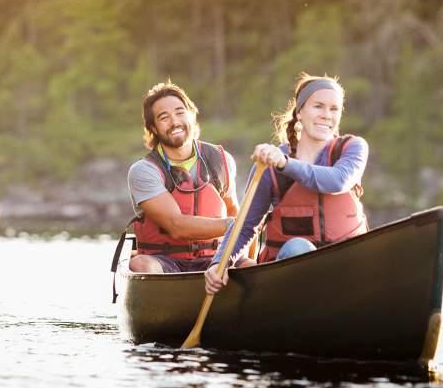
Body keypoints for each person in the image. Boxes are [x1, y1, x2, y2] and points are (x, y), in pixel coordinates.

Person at [205, 72, 369, 295]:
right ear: (300, 112)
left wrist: (285, 164)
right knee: (298, 247)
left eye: (334, 109)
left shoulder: (353, 148)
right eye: (318, 106)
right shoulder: (269, 164)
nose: (326, 115)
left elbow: (338, 180)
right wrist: (219, 264)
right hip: (289, 279)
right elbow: (245, 225)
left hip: (344, 270)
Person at [127, 81, 239, 273]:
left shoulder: (221, 160)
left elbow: (234, 212)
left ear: (192, 115)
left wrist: (245, 260)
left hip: (215, 261)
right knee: (141, 264)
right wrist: (234, 225)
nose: (175, 121)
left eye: (180, 112)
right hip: (165, 262)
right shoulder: (143, 171)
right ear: (153, 127)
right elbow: (176, 226)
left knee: (250, 264)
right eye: (164, 117)